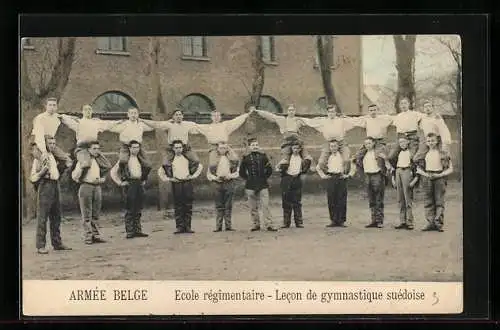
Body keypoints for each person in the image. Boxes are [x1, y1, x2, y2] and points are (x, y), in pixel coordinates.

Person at [29, 135, 72, 254]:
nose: (52, 145)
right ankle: (40, 246)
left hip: (55, 185)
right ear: (45, 145)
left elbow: (56, 171)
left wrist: (64, 166)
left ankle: (57, 243)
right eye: (50, 143)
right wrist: (42, 173)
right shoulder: (39, 158)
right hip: (45, 186)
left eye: (54, 143)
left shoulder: (54, 156)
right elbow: (32, 177)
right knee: (42, 217)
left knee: (56, 215)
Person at [59, 104, 123, 173]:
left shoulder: (96, 122)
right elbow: (66, 119)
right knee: (85, 165)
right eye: (86, 109)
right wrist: (61, 116)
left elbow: (108, 124)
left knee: (107, 165)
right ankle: (78, 179)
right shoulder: (79, 122)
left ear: (92, 111)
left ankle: (97, 178)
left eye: (89, 109)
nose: (88, 111)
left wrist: (119, 122)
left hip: (94, 148)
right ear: (82, 112)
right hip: (82, 148)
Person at [158, 140, 203, 234]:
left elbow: (200, 166)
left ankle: (188, 227)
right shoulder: (170, 160)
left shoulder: (187, 158)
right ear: (173, 149)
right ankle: (179, 227)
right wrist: (169, 179)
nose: (178, 149)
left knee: (188, 205)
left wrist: (193, 176)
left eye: (180, 147)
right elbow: (161, 171)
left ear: (183, 148)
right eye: (176, 147)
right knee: (178, 205)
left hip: (187, 183)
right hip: (177, 183)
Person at [110, 140, 151, 239]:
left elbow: (145, 170)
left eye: (137, 147)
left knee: (138, 207)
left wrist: (143, 180)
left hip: (139, 184)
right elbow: (113, 172)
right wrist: (120, 182)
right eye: (133, 147)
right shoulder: (124, 160)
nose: (136, 149)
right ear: (129, 148)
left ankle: (138, 230)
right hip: (130, 184)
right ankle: (130, 231)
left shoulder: (141, 159)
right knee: (130, 207)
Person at [71, 141, 108, 244]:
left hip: (97, 187)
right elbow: (74, 176)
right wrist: (80, 175)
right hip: (86, 186)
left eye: (98, 149)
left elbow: (104, 171)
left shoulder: (98, 161)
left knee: (96, 212)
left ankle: (95, 235)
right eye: (94, 149)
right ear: (88, 150)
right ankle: (88, 236)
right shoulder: (82, 161)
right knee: (86, 213)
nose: (97, 151)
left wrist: (102, 179)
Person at [416, 133, 454, 232]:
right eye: (428, 141)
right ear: (426, 142)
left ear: (437, 141)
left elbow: (450, 169)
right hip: (427, 177)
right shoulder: (424, 154)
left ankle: (438, 223)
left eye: (433, 140)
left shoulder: (443, 153)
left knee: (439, 201)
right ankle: (430, 223)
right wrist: (425, 174)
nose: (431, 143)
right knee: (428, 201)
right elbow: (418, 168)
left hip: (439, 177)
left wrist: (440, 175)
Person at [302, 104, 358, 170]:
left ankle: (344, 175)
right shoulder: (323, 121)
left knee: (346, 160)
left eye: (333, 112)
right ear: (327, 112)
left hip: (341, 143)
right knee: (321, 162)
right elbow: (311, 122)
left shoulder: (341, 120)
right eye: (330, 112)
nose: (331, 113)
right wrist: (298, 119)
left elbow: (354, 120)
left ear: (335, 112)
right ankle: (329, 173)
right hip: (328, 143)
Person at [239, 137, 277, 232]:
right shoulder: (246, 158)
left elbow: (269, 170)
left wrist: (264, 178)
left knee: (265, 205)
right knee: (253, 206)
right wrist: (248, 179)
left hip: (263, 185)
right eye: (253, 145)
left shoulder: (263, 157)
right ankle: (255, 224)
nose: (255, 147)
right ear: (249, 147)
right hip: (250, 185)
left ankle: (269, 224)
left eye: (256, 145)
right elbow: (241, 172)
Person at [316, 139, 356, 228]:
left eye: (335, 146)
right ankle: (333, 220)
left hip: (341, 177)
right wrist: (323, 176)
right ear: (329, 147)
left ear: (338, 146)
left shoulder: (343, 156)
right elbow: (318, 167)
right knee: (331, 199)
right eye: (331, 146)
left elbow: (353, 165)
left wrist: (349, 175)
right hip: (331, 178)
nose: (333, 148)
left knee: (341, 199)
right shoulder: (327, 157)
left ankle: (341, 221)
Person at [109, 107, 154, 182]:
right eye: (131, 113)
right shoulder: (124, 124)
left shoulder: (141, 124)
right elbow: (110, 128)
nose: (133, 115)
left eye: (135, 113)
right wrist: (116, 122)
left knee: (148, 164)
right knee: (123, 161)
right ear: (128, 115)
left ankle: (143, 179)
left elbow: (153, 127)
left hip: (138, 147)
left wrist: (144, 120)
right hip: (126, 146)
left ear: (138, 114)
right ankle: (124, 177)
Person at [354, 137, 388, 228]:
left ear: (373, 143)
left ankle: (379, 220)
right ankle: (373, 220)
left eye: (369, 143)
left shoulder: (378, 153)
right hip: (368, 176)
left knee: (378, 198)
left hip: (377, 175)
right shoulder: (363, 154)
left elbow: (385, 160)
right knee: (371, 199)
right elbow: (357, 160)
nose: (367, 145)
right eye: (366, 144)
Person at [205, 142, 240, 232]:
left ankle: (228, 226)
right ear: (218, 149)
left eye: (224, 148)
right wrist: (215, 178)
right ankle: (218, 226)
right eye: (221, 148)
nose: (223, 150)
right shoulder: (213, 160)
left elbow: (237, 172)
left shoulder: (232, 160)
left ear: (227, 149)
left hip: (229, 183)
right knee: (219, 205)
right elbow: (208, 174)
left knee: (228, 205)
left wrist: (230, 176)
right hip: (217, 184)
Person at [277, 140, 312, 229]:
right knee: (286, 202)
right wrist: (280, 167)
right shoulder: (287, 158)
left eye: (297, 148)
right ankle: (286, 223)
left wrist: (302, 171)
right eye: (294, 148)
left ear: (300, 149)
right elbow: (277, 168)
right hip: (287, 179)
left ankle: (299, 222)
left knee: (297, 201)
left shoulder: (302, 159)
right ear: (291, 149)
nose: (296, 150)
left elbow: (306, 168)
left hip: (296, 179)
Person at [30, 97, 72, 168]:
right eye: (50, 105)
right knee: (45, 163)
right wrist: (44, 151)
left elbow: (72, 121)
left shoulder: (57, 117)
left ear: (56, 107)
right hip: (38, 143)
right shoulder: (40, 118)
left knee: (68, 160)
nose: (52, 107)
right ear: (46, 106)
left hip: (51, 144)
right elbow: (39, 136)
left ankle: (60, 178)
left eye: (54, 105)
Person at [388, 136, 419, 230]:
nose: (402, 144)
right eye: (400, 142)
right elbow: (393, 166)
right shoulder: (397, 153)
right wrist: (393, 178)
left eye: (404, 142)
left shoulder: (412, 153)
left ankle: (410, 222)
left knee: (407, 198)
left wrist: (415, 179)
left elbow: (416, 166)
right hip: (398, 172)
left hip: (407, 171)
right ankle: (402, 221)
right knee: (400, 198)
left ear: (408, 142)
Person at [351, 103, 394, 167]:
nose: (373, 112)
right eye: (371, 110)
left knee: (379, 156)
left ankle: (383, 172)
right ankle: (365, 169)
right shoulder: (366, 119)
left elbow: (393, 119)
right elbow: (354, 119)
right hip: (369, 141)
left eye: (374, 110)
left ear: (377, 110)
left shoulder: (382, 118)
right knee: (357, 156)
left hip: (379, 141)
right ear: (368, 112)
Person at [387, 97, 425, 161]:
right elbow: (384, 119)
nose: (403, 105)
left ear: (409, 104)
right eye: (401, 104)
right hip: (400, 137)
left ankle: (413, 170)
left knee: (412, 156)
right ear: (399, 105)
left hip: (412, 137)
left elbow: (427, 115)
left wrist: (436, 116)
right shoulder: (398, 116)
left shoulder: (415, 114)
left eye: (405, 103)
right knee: (391, 156)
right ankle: (397, 169)